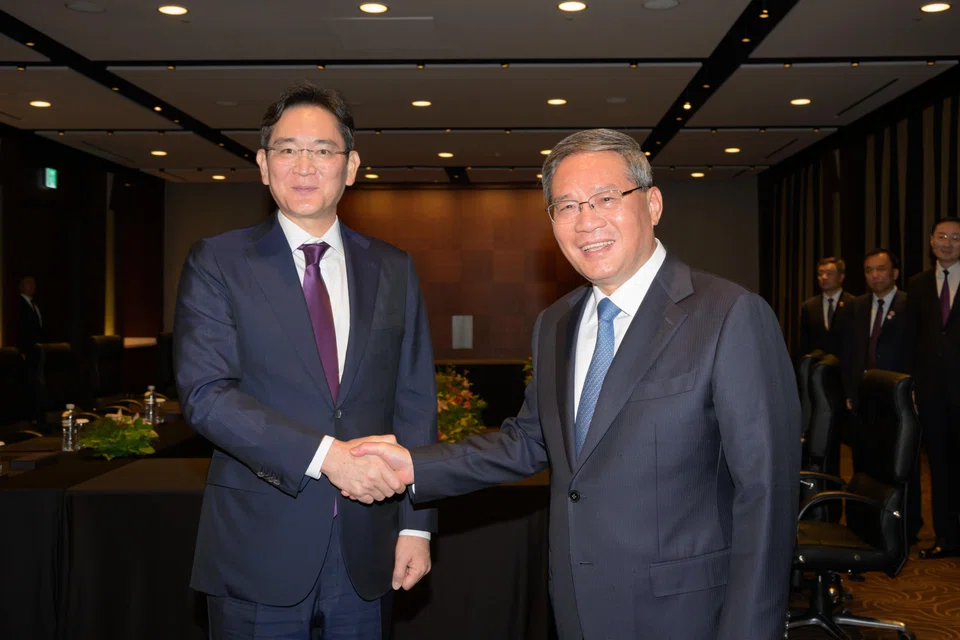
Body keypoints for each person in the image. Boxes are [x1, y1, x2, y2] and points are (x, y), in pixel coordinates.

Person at [352, 129, 801, 639]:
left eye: (606, 199)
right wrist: (413, 464)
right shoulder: (556, 324)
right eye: (566, 206)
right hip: (576, 605)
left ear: (652, 204)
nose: (586, 221)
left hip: (687, 614)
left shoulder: (730, 314)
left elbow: (767, 494)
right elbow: (528, 441)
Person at [174, 82, 437, 639]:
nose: (304, 165)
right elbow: (206, 396)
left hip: (368, 548)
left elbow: (414, 401)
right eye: (287, 150)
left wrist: (417, 527)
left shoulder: (393, 268)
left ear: (351, 166)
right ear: (264, 165)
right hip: (257, 546)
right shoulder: (218, 261)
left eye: (322, 150)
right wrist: (327, 457)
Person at [842, 249, 920, 542]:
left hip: (900, 398)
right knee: (866, 464)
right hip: (865, 400)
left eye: (881, 269)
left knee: (903, 465)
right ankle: (868, 524)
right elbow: (849, 354)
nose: (875, 275)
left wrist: (915, 392)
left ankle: (906, 527)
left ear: (895, 273)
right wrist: (849, 392)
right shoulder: (856, 306)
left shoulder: (910, 304)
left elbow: (918, 352)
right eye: (869, 270)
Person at [906, 216, 960, 559]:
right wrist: (912, 385)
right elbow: (913, 340)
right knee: (938, 467)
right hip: (932, 393)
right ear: (930, 241)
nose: (948, 242)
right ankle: (946, 537)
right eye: (942, 236)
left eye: (956, 237)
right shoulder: (918, 284)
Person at [799, 257, 855, 358]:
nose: (824, 277)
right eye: (820, 274)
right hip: (816, 365)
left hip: (845, 365)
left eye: (829, 273)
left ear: (841, 277)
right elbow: (804, 341)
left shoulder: (853, 303)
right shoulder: (809, 306)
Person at [17, 276, 45, 425]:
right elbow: (20, 329)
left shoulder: (34, 304)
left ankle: (37, 414)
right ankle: (29, 416)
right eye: (29, 284)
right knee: (29, 383)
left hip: (37, 351)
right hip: (26, 352)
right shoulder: (19, 305)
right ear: (22, 286)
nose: (33, 287)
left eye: (34, 284)